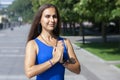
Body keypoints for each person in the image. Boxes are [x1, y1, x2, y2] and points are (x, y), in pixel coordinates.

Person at [24, 4, 81, 80]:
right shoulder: (33, 44)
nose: (52, 20)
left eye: (54, 16)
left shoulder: (65, 42)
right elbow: (29, 72)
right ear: (39, 20)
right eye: (47, 16)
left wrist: (63, 61)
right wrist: (54, 60)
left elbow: (77, 69)